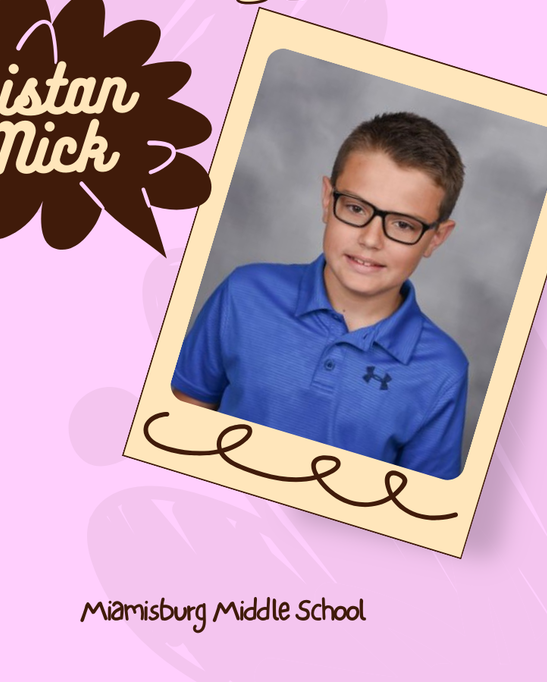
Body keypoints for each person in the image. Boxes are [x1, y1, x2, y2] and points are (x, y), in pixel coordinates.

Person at [172, 112, 468, 480]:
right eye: (356, 208)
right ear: (328, 200)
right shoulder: (245, 294)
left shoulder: (442, 370)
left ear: (436, 238)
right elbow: (180, 423)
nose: (371, 239)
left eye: (403, 224)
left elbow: (416, 511)